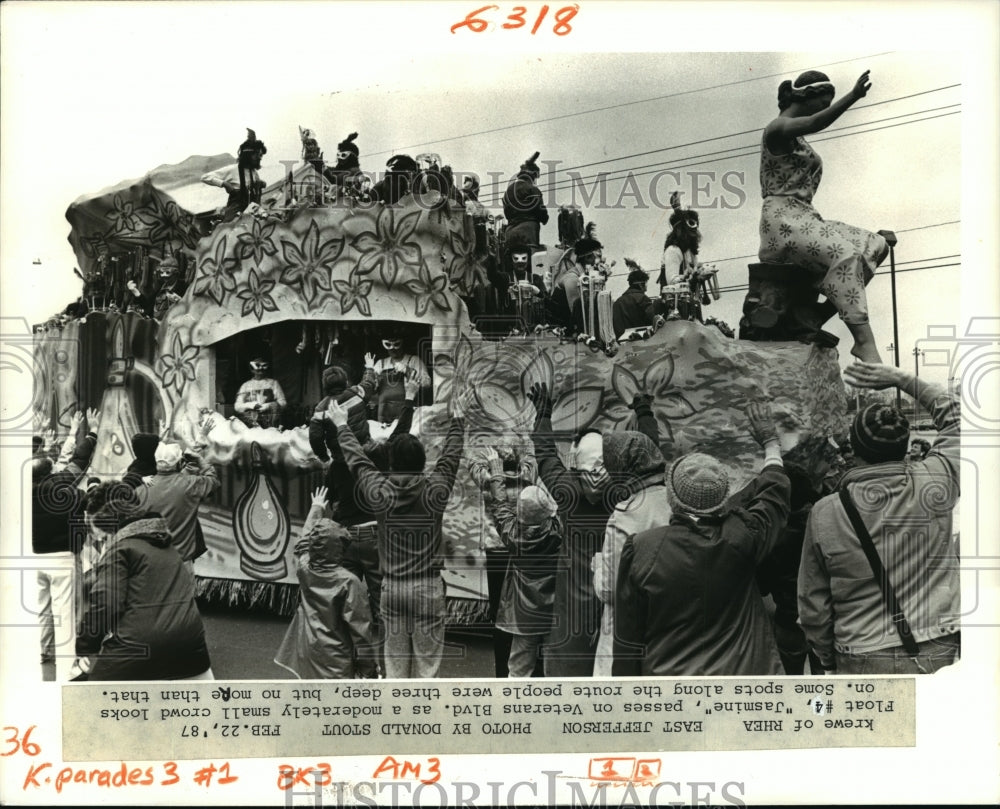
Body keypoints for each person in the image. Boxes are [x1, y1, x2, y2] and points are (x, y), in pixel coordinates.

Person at [798, 362, 960, 674]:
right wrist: (902, 379)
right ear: (904, 445)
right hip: (938, 645)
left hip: (860, 652)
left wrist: (827, 658)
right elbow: (960, 421)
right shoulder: (937, 480)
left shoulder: (825, 512)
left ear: (854, 447)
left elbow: (813, 606)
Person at [613, 403, 790, 676]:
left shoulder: (641, 549)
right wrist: (770, 443)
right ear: (722, 502)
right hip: (743, 684)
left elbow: (628, 637)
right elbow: (774, 493)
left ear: (671, 499)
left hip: (670, 687)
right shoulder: (745, 536)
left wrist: (626, 694)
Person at [327, 387, 472, 679]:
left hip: (392, 586)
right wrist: (458, 420)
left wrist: (342, 425)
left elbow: (358, 461)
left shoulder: (380, 492)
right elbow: (450, 457)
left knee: (394, 670)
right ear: (422, 463)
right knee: (426, 672)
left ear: (391, 464)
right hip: (428, 586)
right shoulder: (435, 490)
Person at [526, 383, 660, 677]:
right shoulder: (622, 492)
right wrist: (643, 409)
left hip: (572, 608)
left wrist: (544, 414)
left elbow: (545, 452)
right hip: (616, 600)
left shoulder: (567, 492)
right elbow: (649, 450)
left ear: (576, 462)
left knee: (566, 676)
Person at [758, 70, 890, 362]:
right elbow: (818, 122)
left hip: (806, 217)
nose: (824, 108)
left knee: (874, 245)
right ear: (806, 97)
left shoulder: (799, 139)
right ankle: (864, 341)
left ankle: (815, 314)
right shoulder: (777, 129)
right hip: (782, 222)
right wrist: (852, 96)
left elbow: (814, 122)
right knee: (843, 254)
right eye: (823, 102)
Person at [75, 483, 213, 681]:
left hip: (140, 644)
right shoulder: (164, 543)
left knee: (92, 700)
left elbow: (106, 604)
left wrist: (86, 646)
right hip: (191, 643)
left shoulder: (119, 550)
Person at [274, 486, 379, 679]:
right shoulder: (349, 582)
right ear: (341, 547)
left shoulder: (304, 567)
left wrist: (316, 508)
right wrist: (368, 670)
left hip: (307, 651)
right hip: (337, 661)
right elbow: (360, 632)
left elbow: (304, 542)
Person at [591, 429, 667, 676]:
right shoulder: (675, 500)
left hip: (626, 627)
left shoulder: (625, 514)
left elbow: (610, 589)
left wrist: (599, 565)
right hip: (667, 622)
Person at [31, 408, 100, 681]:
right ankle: (68, 667)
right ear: (51, 470)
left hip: (34, 555)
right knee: (65, 611)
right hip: (62, 557)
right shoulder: (64, 486)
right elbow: (79, 461)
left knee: (42, 606)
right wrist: (92, 432)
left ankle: (42, 651)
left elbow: (69, 461)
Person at [470, 439, 541, 677]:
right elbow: (531, 466)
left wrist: (495, 465)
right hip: (523, 548)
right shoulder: (526, 474)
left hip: (498, 548)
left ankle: (502, 673)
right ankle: (533, 672)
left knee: (500, 618)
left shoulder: (490, 475)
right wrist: (519, 450)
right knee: (529, 611)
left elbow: (475, 467)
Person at [480, 477, 561, 678]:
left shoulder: (512, 534)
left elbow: (500, 507)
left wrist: (497, 472)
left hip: (523, 614)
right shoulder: (559, 531)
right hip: (553, 609)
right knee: (554, 667)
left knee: (518, 667)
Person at [136, 442, 219, 565]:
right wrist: (200, 460)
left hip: (150, 565)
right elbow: (213, 481)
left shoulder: (140, 491)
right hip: (181, 564)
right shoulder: (189, 485)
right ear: (179, 463)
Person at [367, 334, 431, 423]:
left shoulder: (414, 360)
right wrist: (374, 381)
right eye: (389, 346)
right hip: (384, 412)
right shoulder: (380, 363)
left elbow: (427, 383)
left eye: (396, 345)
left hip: (407, 407)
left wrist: (408, 370)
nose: (393, 350)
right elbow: (370, 388)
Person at [502, 151, 549, 250]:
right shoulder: (533, 190)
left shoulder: (507, 191)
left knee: (512, 262)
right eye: (536, 177)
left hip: (509, 233)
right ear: (533, 175)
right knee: (529, 262)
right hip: (528, 232)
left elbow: (507, 214)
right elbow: (543, 216)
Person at [234, 358, 287, 428]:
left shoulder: (273, 383)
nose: (260, 370)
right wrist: (250, 405)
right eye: (257, 367)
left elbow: (283, 403)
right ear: (252, 369)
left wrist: (269, 406)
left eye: (263, 367)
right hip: (250, 424)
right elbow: (237, 406)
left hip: (270, 423)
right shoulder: (246, 385)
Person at [612, 267, 656, 338]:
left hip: (622, 344)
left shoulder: (617, 302)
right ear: (641, 285)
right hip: (642, 342)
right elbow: (653, 321)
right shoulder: (643, 299)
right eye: (645, 283)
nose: (646, 286)